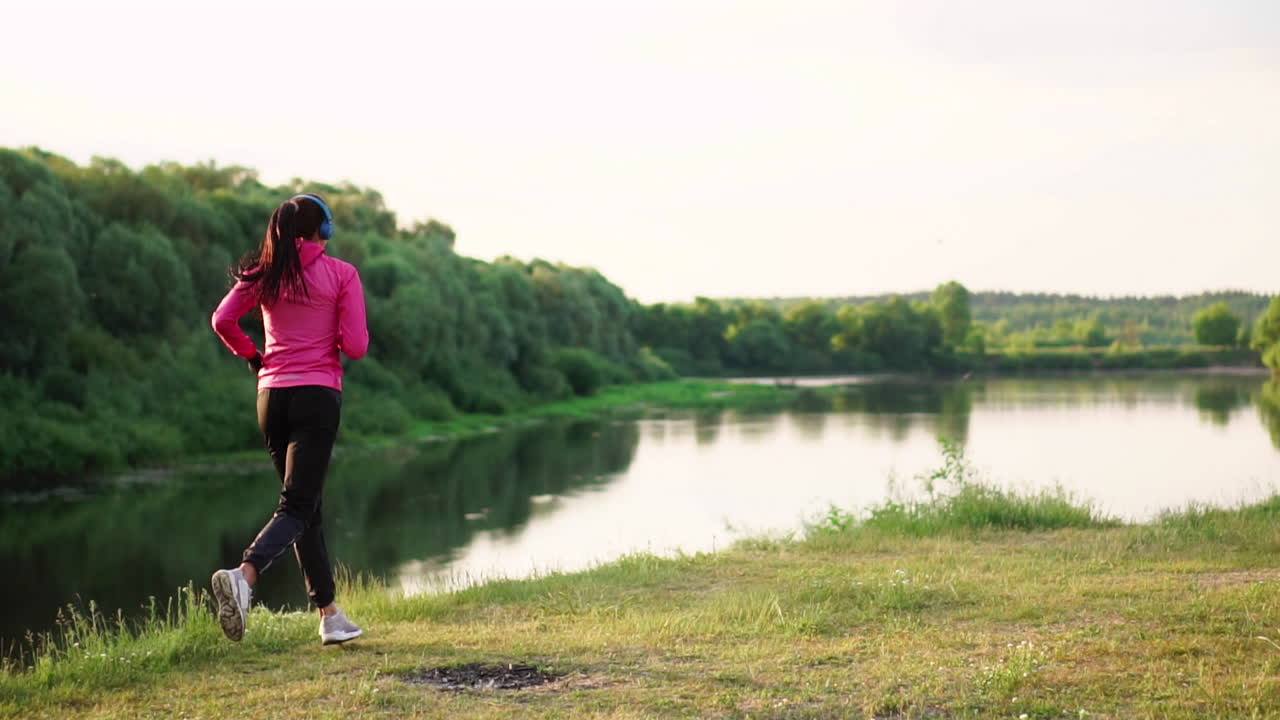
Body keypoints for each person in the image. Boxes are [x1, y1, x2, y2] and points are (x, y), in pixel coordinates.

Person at [209, 193, 369, 646]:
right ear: (325, 231)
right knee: (297, 505)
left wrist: (254, 356)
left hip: (271, 398)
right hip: (317, 395)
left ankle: (330, 615)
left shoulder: (264, 273)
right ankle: (245, 574)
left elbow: (223, 319)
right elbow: (355, 346)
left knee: (305, 506)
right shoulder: (341, 274)